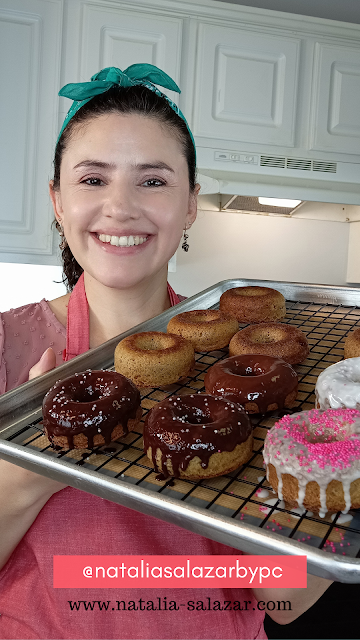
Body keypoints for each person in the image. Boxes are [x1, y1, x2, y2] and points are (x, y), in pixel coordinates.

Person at [0, 65, 331, 640]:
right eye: (92, 180)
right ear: (57, 200)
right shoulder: (9, 347)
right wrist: (34, 469)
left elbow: (285, 601)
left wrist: (324, 464)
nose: (121, 208)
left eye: (152, 181)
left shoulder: (259, 376)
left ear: (191, 204)